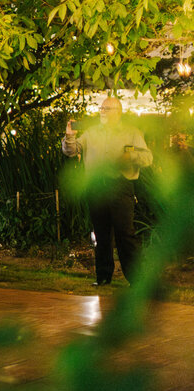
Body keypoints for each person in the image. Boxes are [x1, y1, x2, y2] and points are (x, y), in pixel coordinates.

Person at [63, 97, 152, 286]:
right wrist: (69, 136)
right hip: (96, 187)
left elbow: (148, 158)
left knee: (124, 233)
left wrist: (131, 156)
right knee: (101, 234)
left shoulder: (131, 133)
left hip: (120, 186)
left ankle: (137, 279)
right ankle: (103, 277)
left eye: (107, 108)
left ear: (118, 111)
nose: (102, 111)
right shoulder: (91, 132)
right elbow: (70, 151)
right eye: (101, 107)